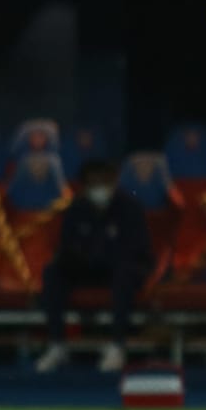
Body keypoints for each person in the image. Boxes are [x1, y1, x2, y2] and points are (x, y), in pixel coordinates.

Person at [35, 159, 154, 373]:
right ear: (85, 185)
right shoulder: (76, 208)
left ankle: (117, 346)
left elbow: (139, 250)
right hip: (86, 268)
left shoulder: (130, 207)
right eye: (94, 182)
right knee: (52, 273)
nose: (100, 187)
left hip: (120, 268)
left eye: (104, 181)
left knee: (125, 275)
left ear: (114, 181)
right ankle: (57, 345)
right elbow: (66, 247)